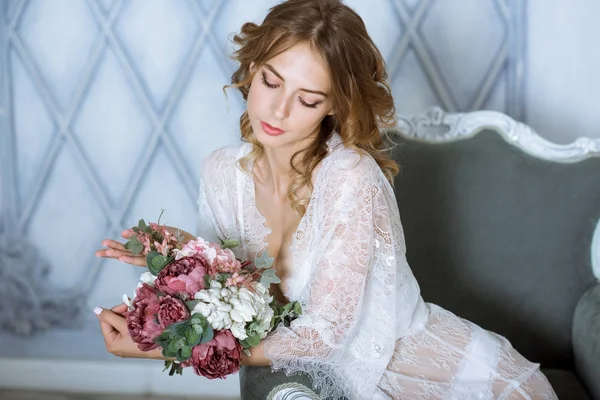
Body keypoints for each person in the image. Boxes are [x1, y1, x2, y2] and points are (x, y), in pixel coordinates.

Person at [95, 1, 559, 399]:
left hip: (455, 380)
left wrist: (159, 348)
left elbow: (322, 339)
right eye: (271, 82)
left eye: (308, 99)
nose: (278, 111)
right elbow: (241, 297)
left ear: (335, 105)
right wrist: (183, 262)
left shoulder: (351, 177)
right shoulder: (221, 172)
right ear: (252, 70)